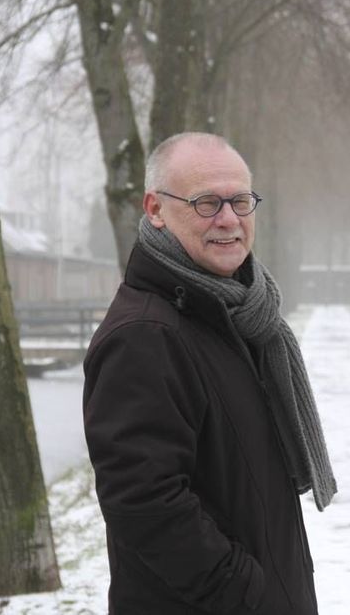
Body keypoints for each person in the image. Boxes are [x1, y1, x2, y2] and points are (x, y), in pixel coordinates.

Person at [83, 132, 336, 614]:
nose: (229, 220)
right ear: (155, 209)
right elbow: (144, 501)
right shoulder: (146, 336)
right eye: (206, 203)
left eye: (241, 201)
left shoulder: (235, 317)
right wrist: (244, 592)